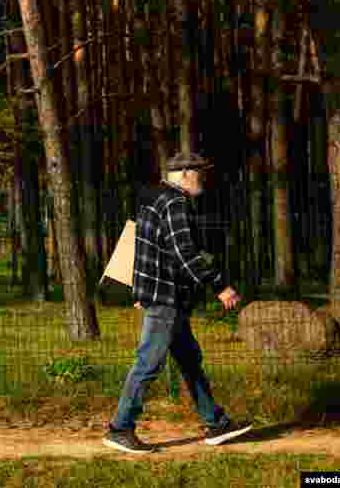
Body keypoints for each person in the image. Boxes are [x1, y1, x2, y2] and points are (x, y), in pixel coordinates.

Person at [102, 151, 252, 454]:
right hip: (166, 298)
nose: (204, 180)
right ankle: (120, 428)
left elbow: (143, 248)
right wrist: (220, 286)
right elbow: (184, 252)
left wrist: (140, 292)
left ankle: (216, 422)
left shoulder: (151, 198)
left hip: (161, 296)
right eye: (200, 174)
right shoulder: (174, 202)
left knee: (189, 361)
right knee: (148, 363)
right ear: (184, 174)